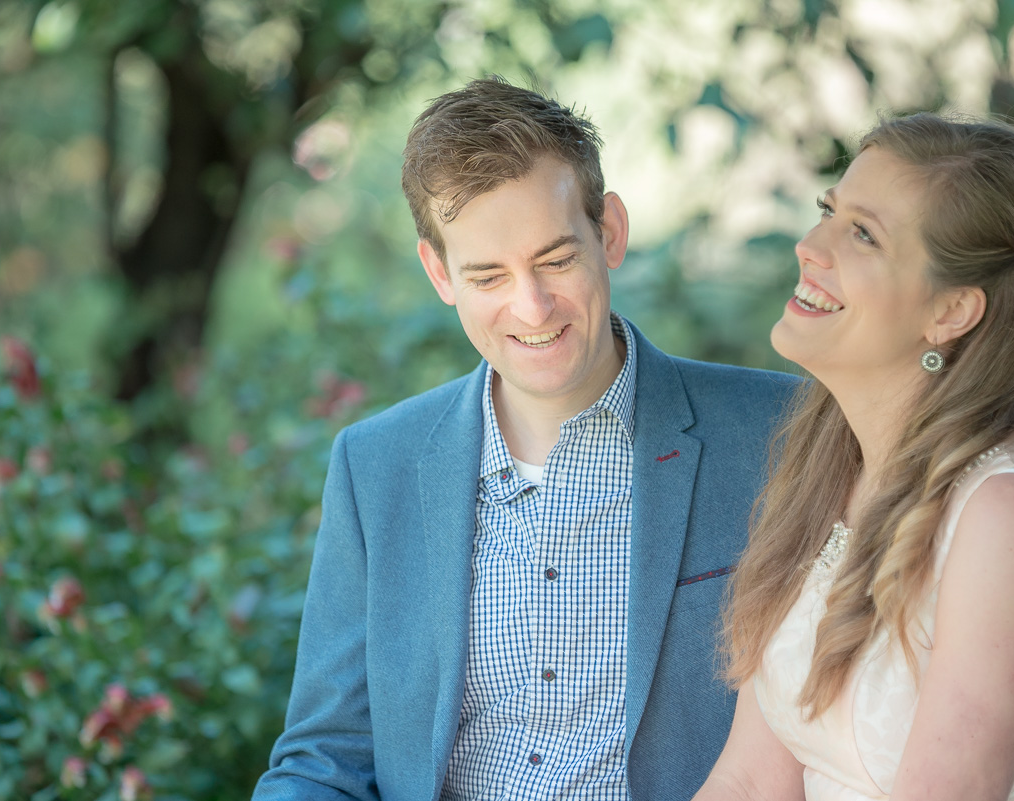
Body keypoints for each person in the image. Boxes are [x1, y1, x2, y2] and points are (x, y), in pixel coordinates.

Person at [250, 77, 801, 800]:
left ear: (609, 232)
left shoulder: (780, 432)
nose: (532, 306)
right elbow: (326, 756)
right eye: (488, 275)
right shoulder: (374, 465)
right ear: (439, 272)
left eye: (556, 259)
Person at [695, 113, 1014, 800]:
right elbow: (749, 779)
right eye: (827, 213)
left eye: (862, 234)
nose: (810, 246)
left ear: (950, 312)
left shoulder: (1009, 514)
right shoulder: (827, 464)